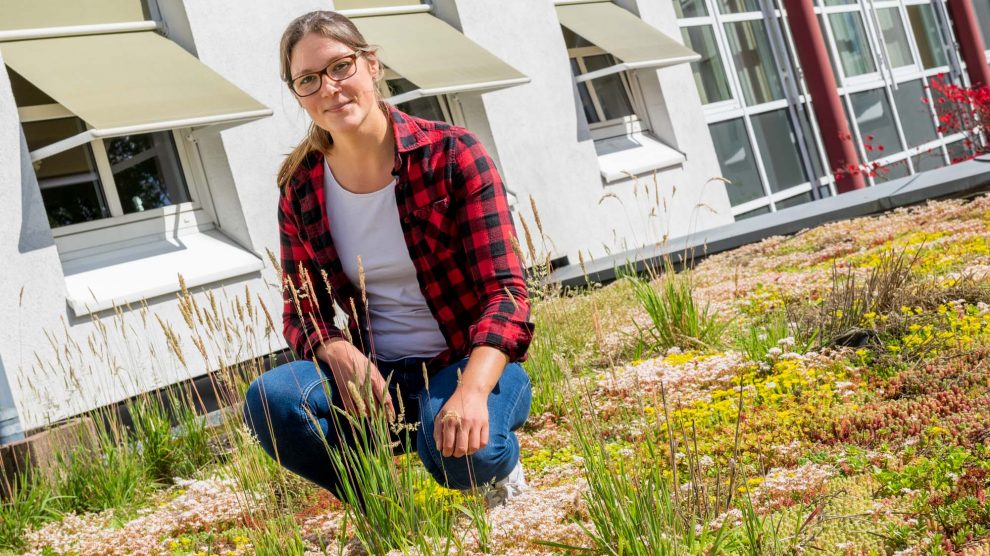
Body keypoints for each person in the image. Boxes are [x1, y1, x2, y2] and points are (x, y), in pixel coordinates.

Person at [243, 10, 535, 507]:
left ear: (371, 64)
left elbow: (505, 295)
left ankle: (497, 463)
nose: (329, 88)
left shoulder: (452, 154)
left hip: (464, 364)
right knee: (272, 403)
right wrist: (339, 353)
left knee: (461, 457)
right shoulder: (302, 188)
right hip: (377, 382)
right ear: (297, 94)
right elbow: (302, 311)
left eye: (340, 67)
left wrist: (470, 393)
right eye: (308, 80)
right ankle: (380, 506)